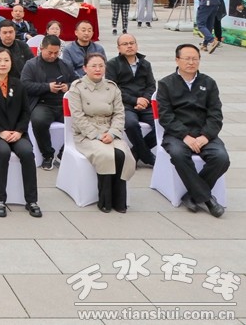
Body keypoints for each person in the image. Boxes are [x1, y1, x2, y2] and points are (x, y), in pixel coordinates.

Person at [156, 44, 230, 217]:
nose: (191, 62)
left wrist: (206, 136)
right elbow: (165, 116)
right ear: (177, 60)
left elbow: (215, 114)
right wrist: (185, 136)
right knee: (178, 154)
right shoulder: (166, 84)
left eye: (195, 59)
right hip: (177, 134)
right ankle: (208, 200)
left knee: (221, 158)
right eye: (187, 59)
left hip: (204, 133)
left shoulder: (208, 82)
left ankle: (192, 195)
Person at [0, 47, 42, 217]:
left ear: (12, 63)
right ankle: (0, 200)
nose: (3, 64)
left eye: (6, 60)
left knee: (27, 152)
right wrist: (0, 132)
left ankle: (31, 200)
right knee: (3, 152)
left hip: (16, 132)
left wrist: (19, 131)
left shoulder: (18, 84)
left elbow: (26, 112)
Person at [67, 53, 136, 213]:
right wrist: (96, 135)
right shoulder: (77, 87)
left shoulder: (112, 87)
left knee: (122, 154)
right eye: (93, 66)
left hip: (109, 130)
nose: (98, 69)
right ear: (85, 68)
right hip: (87, 133)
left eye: (101, 66)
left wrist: (112, 133)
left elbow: (119, 113)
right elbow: (77, 116)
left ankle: (120, 201)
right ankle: (105, 200)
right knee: (106, 155)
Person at [21, 34, 75, 170]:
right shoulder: (31, 65)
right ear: (42, 48)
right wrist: (47, 87)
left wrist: (68, 86)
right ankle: (47, 154)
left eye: (56, 53)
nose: (53, 56)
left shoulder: (65, 65)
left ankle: (63, 152)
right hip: (42, 103)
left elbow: (76, 82)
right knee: (39, 121)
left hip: (62, 104)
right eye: (50, 52)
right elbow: (25, 85)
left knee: (80, 120)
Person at [104, 34, 156, 167]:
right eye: (125, 44)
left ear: (136, 45)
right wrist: (135, 100)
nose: (129, 46)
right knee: (131, 124)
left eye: (132, 43)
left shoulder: (145, 64)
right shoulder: (112, 64)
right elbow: (113, 89)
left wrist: (145, 100)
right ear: (119, 48)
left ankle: (136, 153)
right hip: (124, 105)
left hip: (145, 104)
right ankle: (148, 157)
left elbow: (151, 86)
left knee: (163, 124)